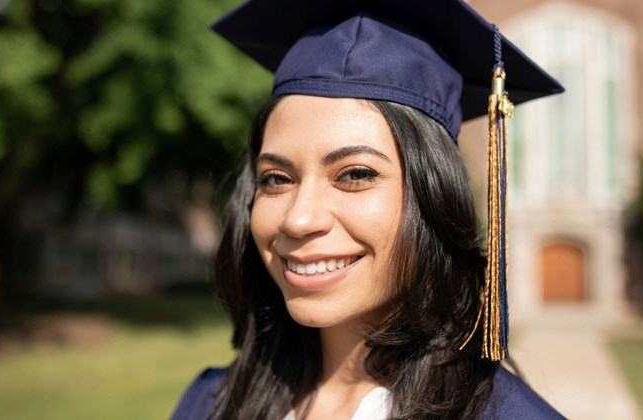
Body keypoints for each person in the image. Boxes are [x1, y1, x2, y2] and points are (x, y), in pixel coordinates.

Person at [172, 0, 565, 418]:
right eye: (276, 178)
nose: (298, 218)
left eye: (355, 174)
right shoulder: (210, 404)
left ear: (435, 197)